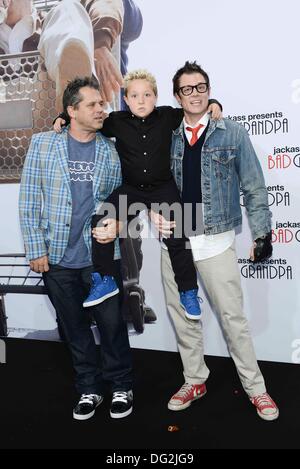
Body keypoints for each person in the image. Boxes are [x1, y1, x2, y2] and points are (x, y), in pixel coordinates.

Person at [156, 61, 278, 421]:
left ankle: (256, 388)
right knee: (183, 317)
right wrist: (150, 210)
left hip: (215, 237)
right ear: (177, 96)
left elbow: (254, 187)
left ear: (209, 90)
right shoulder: (167, 133)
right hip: (175, 240)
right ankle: (195, 379)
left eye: (201, 87)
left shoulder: (232, 133)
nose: (195, 93)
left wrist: (261, 233)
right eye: (187, 89)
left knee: (232, 318)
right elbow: (145, 173)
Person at [54, 69, 223, 321]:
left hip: (162, 188)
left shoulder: (168, 115)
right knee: (100, 220)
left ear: (155, 97)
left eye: (146, 95)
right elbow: (90, 118)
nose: (141, 100)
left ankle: (188, 291)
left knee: (178, 236)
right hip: (131, 189)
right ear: (126, 99)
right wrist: (63, 118)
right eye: (134, 96)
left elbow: (193, 108)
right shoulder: (116, 121)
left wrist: (213, 103)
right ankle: (106, 279)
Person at [19, 76, 133, 421]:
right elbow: (28, 200)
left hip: (100, 257)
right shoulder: (42, 144)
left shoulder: (112, 151)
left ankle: (120, 386)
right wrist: (36, 248)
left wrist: (120, 223)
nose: (102, 109)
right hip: (56, 258)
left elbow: (125, 200)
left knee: (112, 326)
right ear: (71, 110)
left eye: (102, 104)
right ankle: (89, 389)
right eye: (93, 104)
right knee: (74, 328)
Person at [0, 0, 142, 109]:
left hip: (51, 115)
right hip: (4, 123)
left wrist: (100, 44)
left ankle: (75, 91)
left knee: (68, 9)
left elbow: (107, 5)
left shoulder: (54, 23)